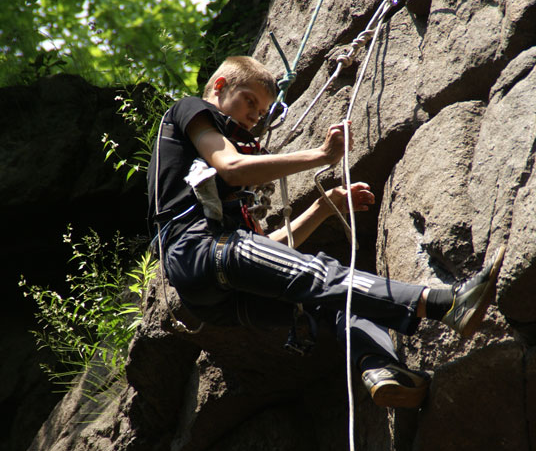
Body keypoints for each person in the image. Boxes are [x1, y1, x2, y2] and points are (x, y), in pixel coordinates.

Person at [148, 56, 505, 408]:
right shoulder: (189, 110)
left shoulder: (224, 204)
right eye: (250, 102)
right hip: (200, 248)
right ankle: (447, 303)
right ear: (221, 86)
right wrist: (322, 155)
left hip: (209, 290)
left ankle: (382, 368)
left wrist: (323, 207)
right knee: (320, 274)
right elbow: (233, 167)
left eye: (260, 112)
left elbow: (266, 251)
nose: (254, 116)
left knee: (329, 302)